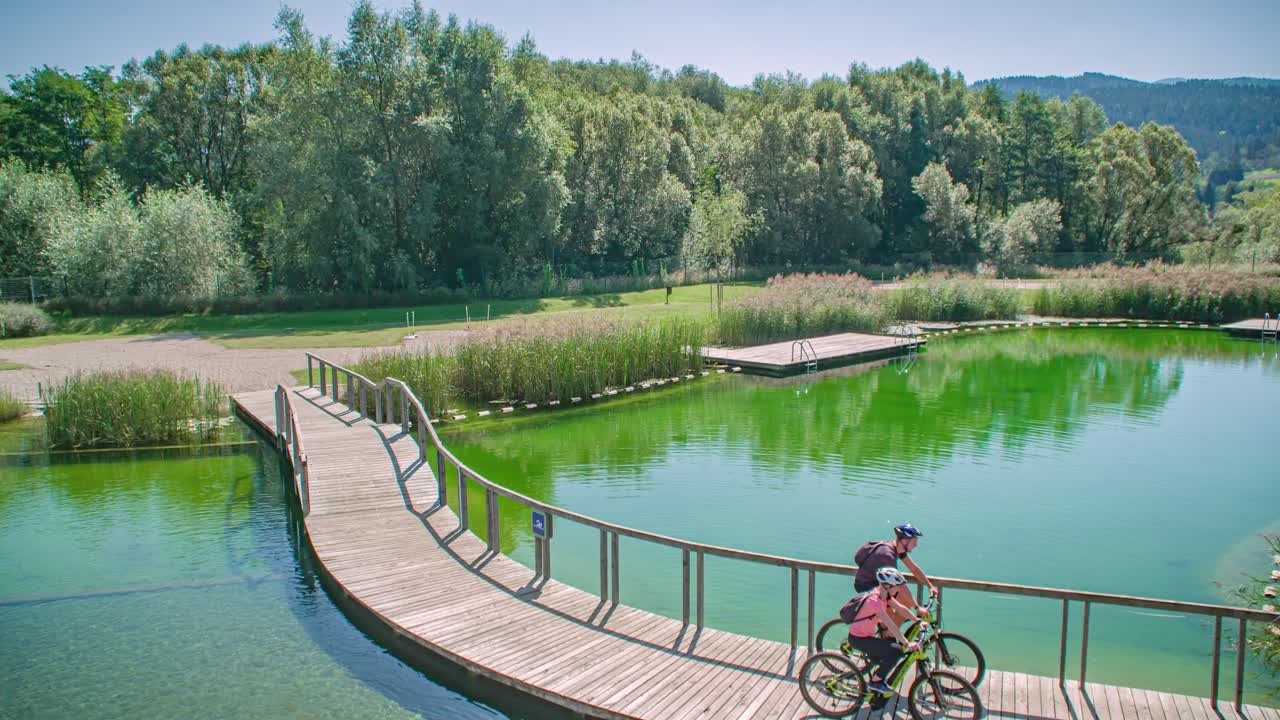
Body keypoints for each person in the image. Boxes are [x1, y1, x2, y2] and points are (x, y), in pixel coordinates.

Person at [845, 567, 921, 695]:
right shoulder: (875, 602)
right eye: (898, 586)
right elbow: (891, 625)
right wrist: (908, 644)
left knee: (887, 654)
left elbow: (901, 609)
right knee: (897, 650)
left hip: (866, 636)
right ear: (888, 586)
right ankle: (875, 682)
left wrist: (917, 621)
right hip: (859, 639)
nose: (900, 589)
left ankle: (876, 679)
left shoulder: (884, 595)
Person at [853, 523, 937, 626]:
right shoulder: (888, 556)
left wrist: (930, 586)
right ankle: (889, 637)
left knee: (902, 605)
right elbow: (900, 585)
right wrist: (917, 608)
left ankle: (889, 635)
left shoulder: (897, 549)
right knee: (891, 611)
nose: (916, 545)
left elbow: (913, 568)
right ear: (904, 541)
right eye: (914, 541)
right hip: (866, 585)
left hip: (878, 584)